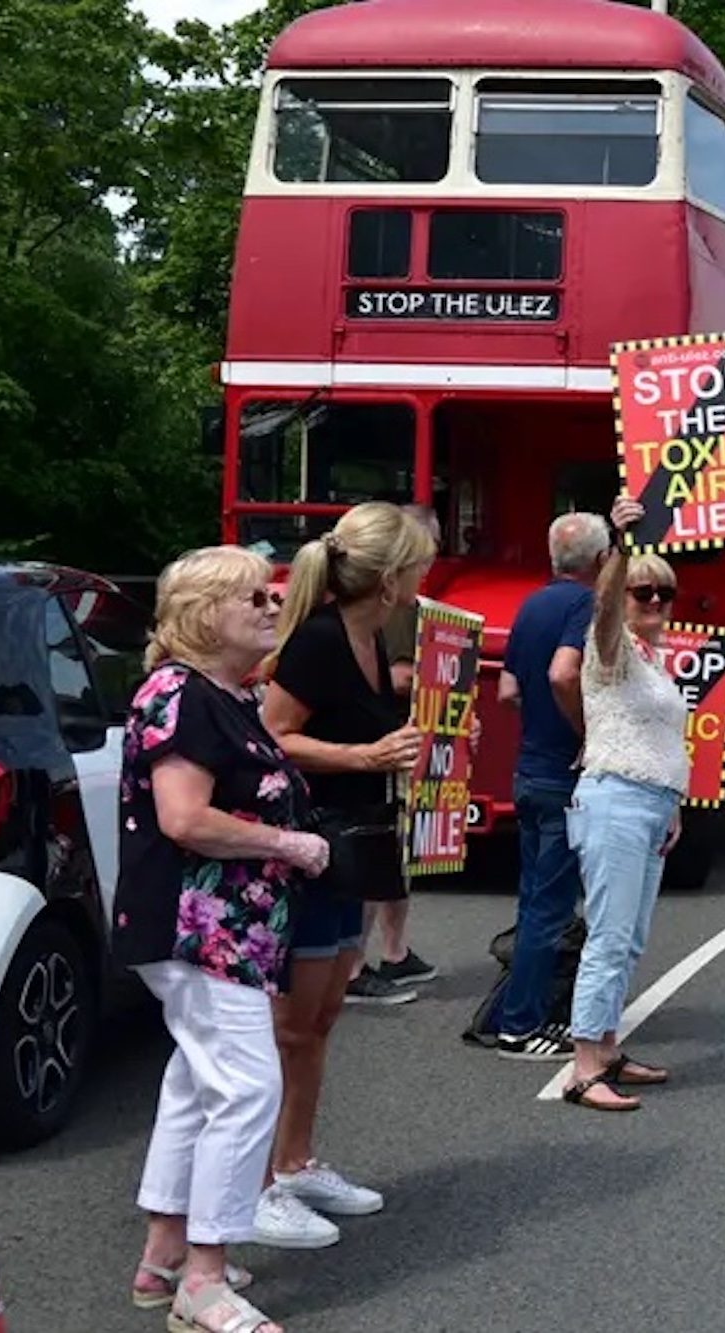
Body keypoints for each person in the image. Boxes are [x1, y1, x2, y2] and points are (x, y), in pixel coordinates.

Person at [118, 547, 329, 1333]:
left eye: (274, 593)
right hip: (200, 928)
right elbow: (184, 818)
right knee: (247, 1088)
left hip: (222, 930)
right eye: (255, 596)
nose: (274, 605)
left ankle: (164, 1253)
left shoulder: (221, 693)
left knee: (195, 1083)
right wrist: (289, 844)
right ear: (205, 614)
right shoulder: (181, 696)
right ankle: (204, 1279)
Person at [254, 501, 434, 1248]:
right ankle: (258, 1182)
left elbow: (364, 734)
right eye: (420, 565)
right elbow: (271, 735)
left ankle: (295, 1162)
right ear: (390, 581)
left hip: (349, 844)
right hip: (306, 845)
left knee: (320, 1018)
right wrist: (364, 758)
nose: (428, 577)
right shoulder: (321, 641)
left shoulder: (365, 641)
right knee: (288, 1025)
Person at [559, 493, 689, 1112]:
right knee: (609, 937)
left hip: (650, 803)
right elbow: (605, 605)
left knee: (631, 938)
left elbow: (662, 739)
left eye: (665, 593)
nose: (656, 603)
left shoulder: (651, 663)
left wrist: (675, 805)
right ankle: (584, 1066)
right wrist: (621, 547)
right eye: (645, 593)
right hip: (614, 799)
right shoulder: (608, 650)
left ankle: (608, 1047)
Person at [490, 511, 609, 1060]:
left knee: (533, 898)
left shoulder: (532, 604)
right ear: (601, 560)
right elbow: (564, 673)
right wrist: (586, 731)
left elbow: (508, 691)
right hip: (564, 771)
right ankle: (522, 1024)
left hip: (528, 767)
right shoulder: (584, 606)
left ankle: (509, 1007)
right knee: (553, 907)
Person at [357, 502, 446, 997]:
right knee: (379, 852)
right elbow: (391, 676)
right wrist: (427, 678)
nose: (431, 563)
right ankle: (355, 966)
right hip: (383, 742)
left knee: (401, 853)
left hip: (405, 738)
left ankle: (394, 952)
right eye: (425, 552)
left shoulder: (414, 608)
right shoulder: (391, 613)